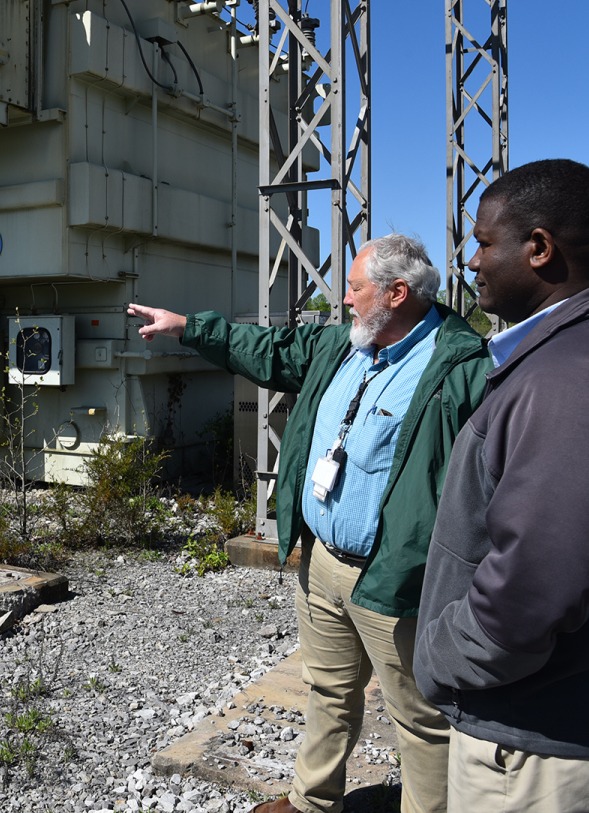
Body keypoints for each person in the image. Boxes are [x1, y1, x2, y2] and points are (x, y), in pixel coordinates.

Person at [129, 233, 492, 813]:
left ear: (397, 293)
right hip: (320, 562)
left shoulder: (462, 369)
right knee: (327, 691)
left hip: (394, 577)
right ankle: (312, 802)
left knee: (421, 719)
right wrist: (187, 327)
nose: (344, 300)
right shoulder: (341, 346)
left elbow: (490, 486)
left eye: (354, 287)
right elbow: (267, 349)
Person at [413, 159, 589, 813]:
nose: (470, 261)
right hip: (562, 713)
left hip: (534, 744)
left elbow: (534, 594)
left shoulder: (569, 380)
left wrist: (441, 655)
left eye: (482, 242)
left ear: (538, 249)